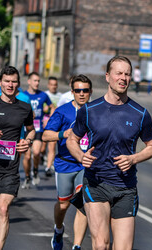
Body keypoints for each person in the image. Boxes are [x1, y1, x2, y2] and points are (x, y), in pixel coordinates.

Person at [67, 56, 152, 250]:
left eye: (127, 74)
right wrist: (80, 156)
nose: (123, 78)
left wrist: (134, 158)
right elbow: (72, 140)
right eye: (119, 73)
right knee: (101, 245)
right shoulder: (90, 110)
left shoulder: (140, 113)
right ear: (108, 76)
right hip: (96, 183)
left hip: (126, 187)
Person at [0, 66, 35, 249]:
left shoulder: (25, 108)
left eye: (14, 81)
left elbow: (32, 131)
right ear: (0, 83)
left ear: (19, 84)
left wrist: (28, 142)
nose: (10, 85)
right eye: (7, 81)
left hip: (9, 169)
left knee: (3, 209)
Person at [42, 74, 92, 250]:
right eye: (77, 90)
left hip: (85, 165)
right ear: (72, 92)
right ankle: (58, 229)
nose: (81, 94)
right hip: (65, 163)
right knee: (63, 204)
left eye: (85, 90)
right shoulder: (63, 111)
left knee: (83, 202)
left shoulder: (95, 112)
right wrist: (63, 134)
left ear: (90, 92)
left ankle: (77, 245)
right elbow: (46, 135)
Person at [22, 72, 54, 188]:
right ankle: (27, 177)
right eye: (35, 80)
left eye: (38, 81)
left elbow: (52, 107)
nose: (37, 83)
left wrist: (48, 118)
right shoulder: (23, 96)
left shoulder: (43, 95)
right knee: (27, 156)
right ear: (29, 81)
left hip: (38, 128)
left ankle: (35, 171)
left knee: (36, 152)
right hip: (26, 129)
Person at [41, 76, 62, 176]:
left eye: (55, 85)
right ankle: (42, 155)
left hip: (56, 123)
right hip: (45, 121)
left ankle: (48, 166)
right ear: (48, 85)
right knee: (42, 146)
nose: (53, 87)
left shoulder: (60, 96)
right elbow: (42, 109)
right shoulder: (45, 95)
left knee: (52, 145)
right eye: (52, 85)